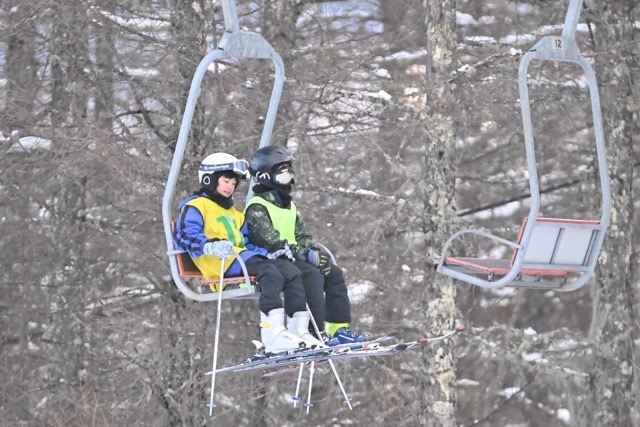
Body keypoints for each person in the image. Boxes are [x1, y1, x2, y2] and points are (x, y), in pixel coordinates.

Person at [173, 152, 319, 353]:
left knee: (291, 271)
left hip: (239, 258)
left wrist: (267, 253)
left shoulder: (235, 214)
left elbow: (246, 243)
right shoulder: (196, 206)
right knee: (270, 272)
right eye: (225, 181)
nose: (230, 187)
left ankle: (298, 330)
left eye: (233, 183)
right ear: (209, 179)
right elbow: (184, 235)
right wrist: (209, 246)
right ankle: (272, 333)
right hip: (218, 263)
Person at [244, 145, 366, 345]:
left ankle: (337, 330)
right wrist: (302, 255)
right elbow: (269, 239)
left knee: (333, 272)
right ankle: (315, 332)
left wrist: (312, 251)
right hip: (274, 260)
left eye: (290, 172)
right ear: (266, 176)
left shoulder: (288, 205)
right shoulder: (257, 207)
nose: (289, 178)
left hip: (294, 257)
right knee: (311, 274)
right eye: (283, 174)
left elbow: (301, 235)